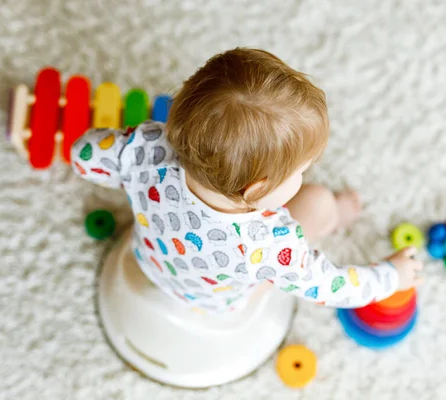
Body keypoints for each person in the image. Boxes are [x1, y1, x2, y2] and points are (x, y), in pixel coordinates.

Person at [71, 48, 423, 313]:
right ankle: (335, 217)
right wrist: (391, 276)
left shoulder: (147, 146)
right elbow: (333, 286)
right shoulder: (269, 245)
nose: (304, 174)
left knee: (311, 196)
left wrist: (127, 160)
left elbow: (83, 154)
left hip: (152, 260)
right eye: (299, 171)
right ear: (255, 190)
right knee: (318, 202)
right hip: (220, 302)